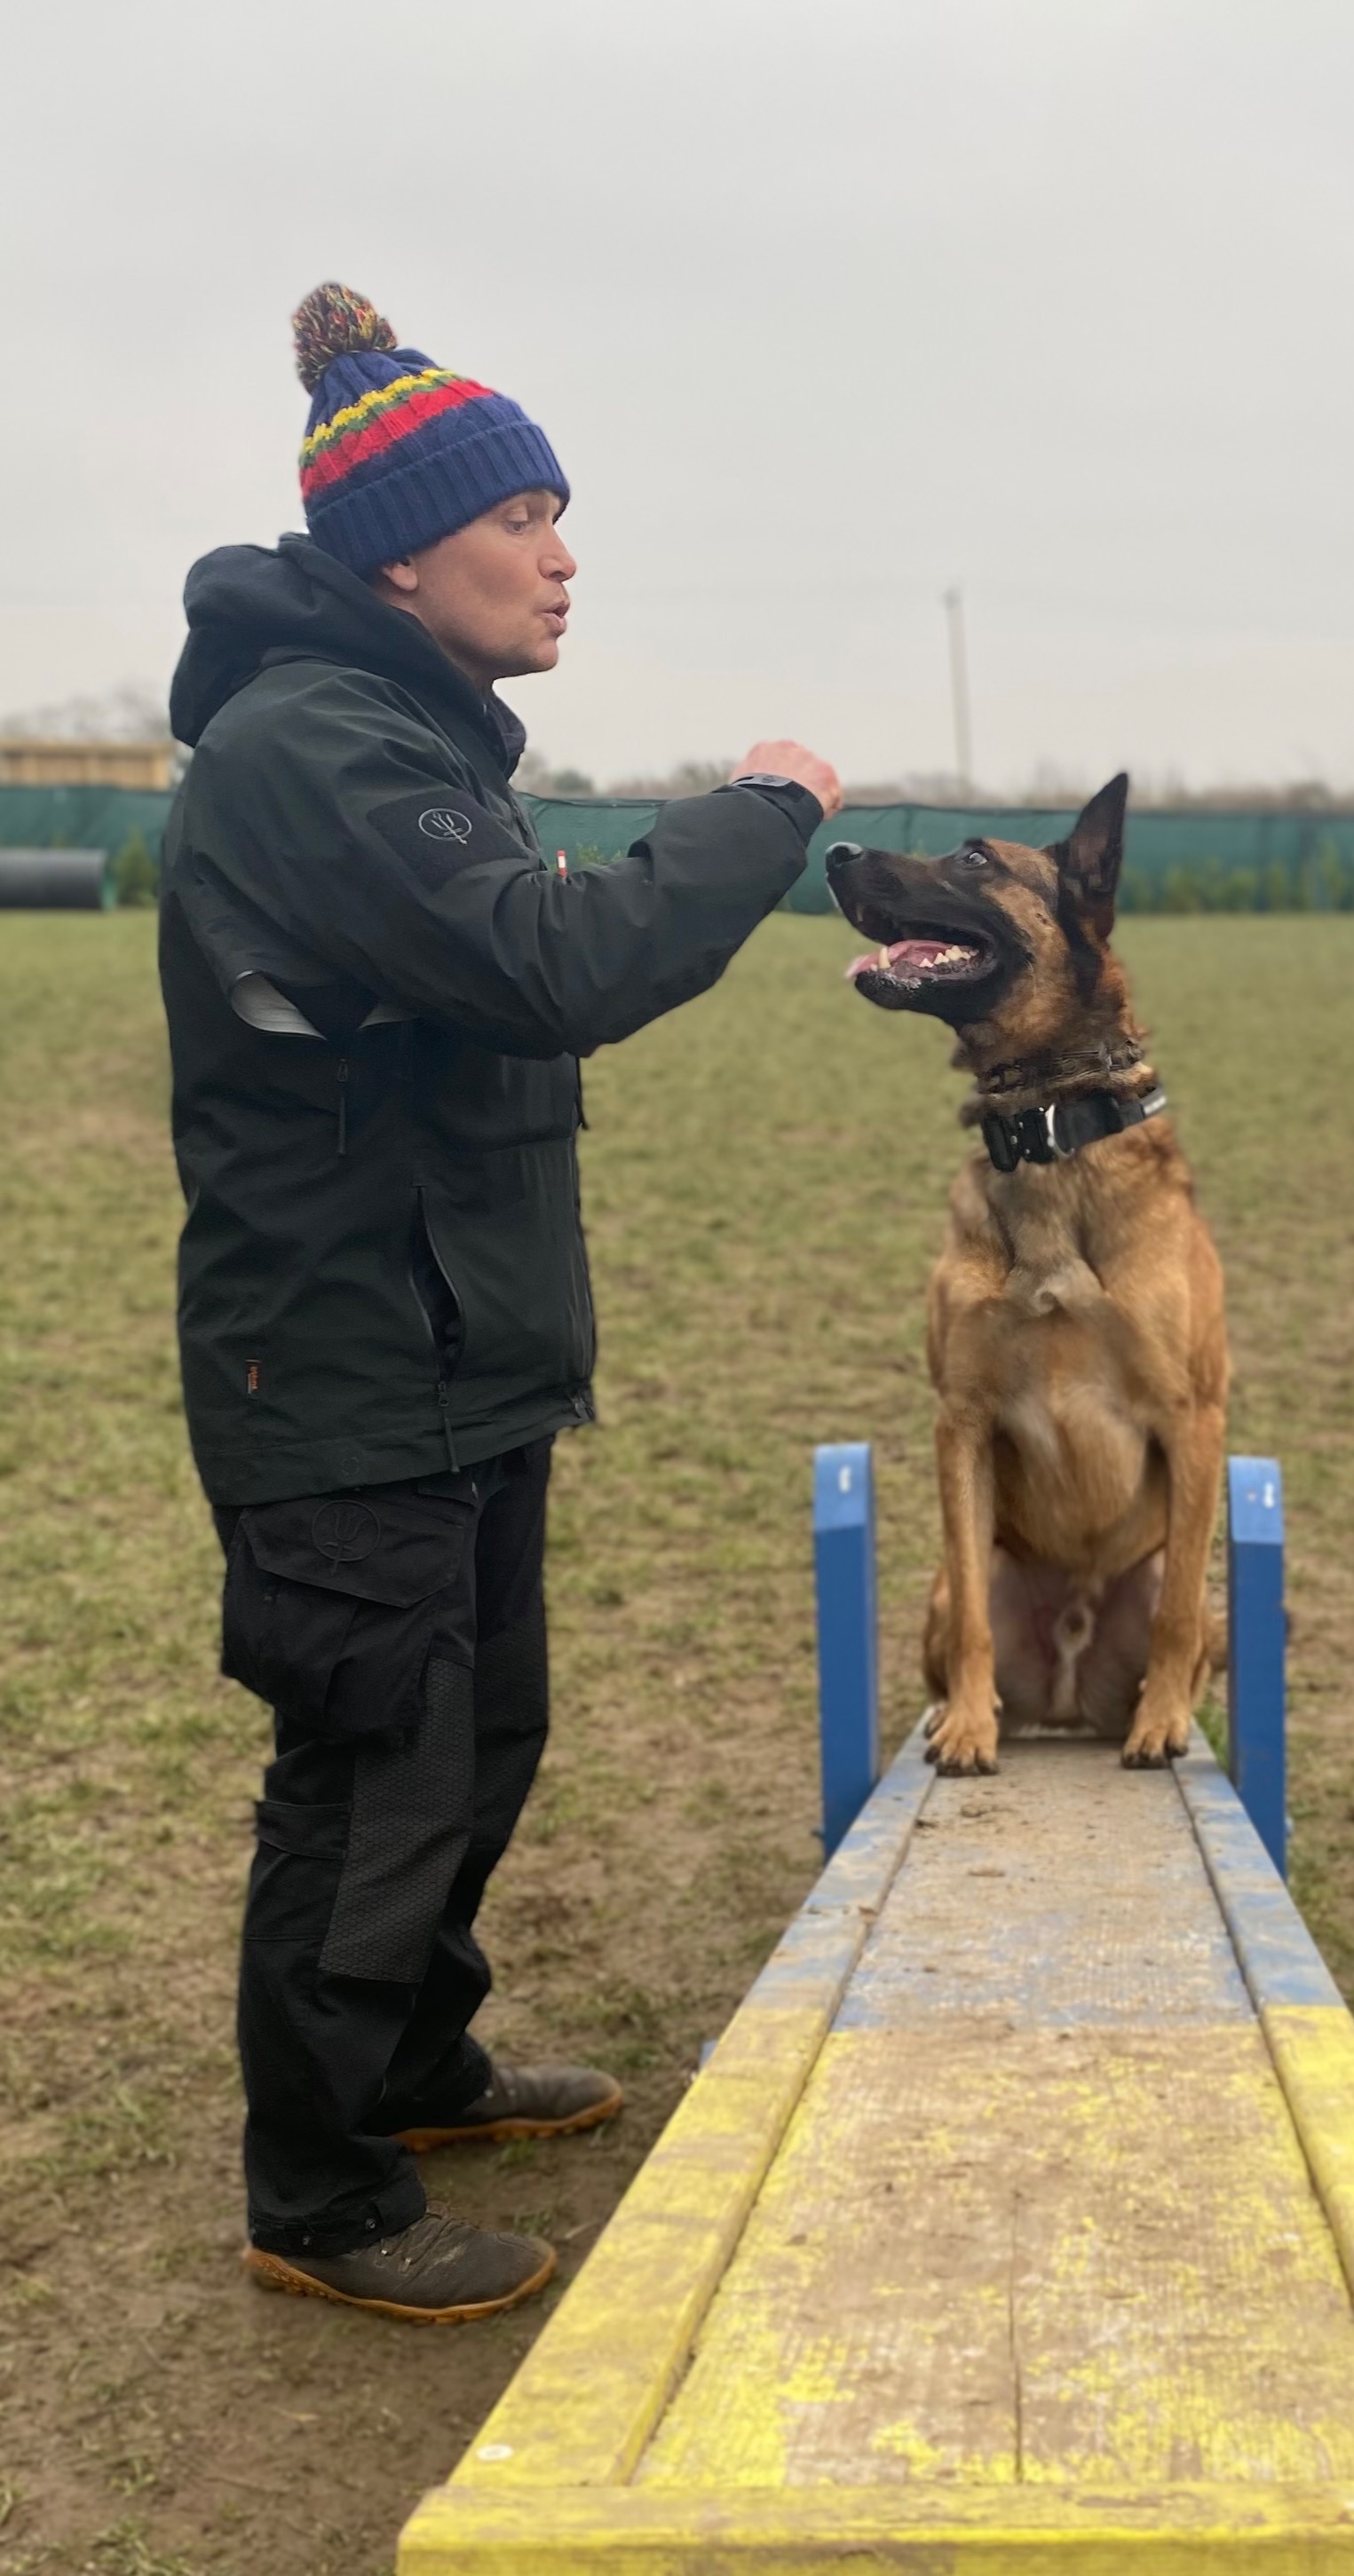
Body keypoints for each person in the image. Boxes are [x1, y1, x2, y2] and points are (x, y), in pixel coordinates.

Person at [156, 282, 841, 2324]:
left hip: (451, 1350)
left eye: (562, 512)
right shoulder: (319, 750)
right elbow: (556, 962)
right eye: (523, 515)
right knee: (373, 1765)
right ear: (399, 552)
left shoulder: (400, 734)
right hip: (346, 1362)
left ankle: (417, 2063)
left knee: (476, 1737)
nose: (561, 555)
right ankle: (323, 2188)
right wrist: (766, 808)